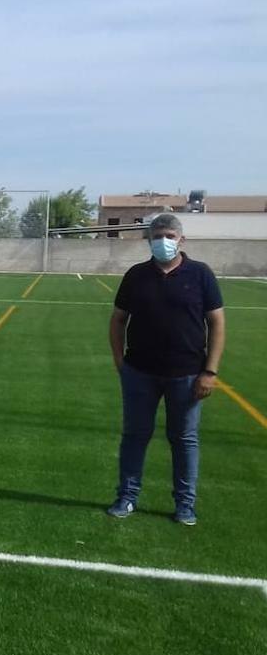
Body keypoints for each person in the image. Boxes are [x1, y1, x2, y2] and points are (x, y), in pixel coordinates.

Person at [107, 214, 225, 525]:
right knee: (134, 436)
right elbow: (118, 319)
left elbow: (216, 323)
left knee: (184, 439)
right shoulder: (136, 275)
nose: (164, 241)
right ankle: (127, 496)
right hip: (139, 373)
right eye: (157, 236)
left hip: (187, 375)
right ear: (148, 240)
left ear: (181, 239)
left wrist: (209, 372)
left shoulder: (200, 275)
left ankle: (185, 504)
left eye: (169, 235)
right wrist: (120, 362)